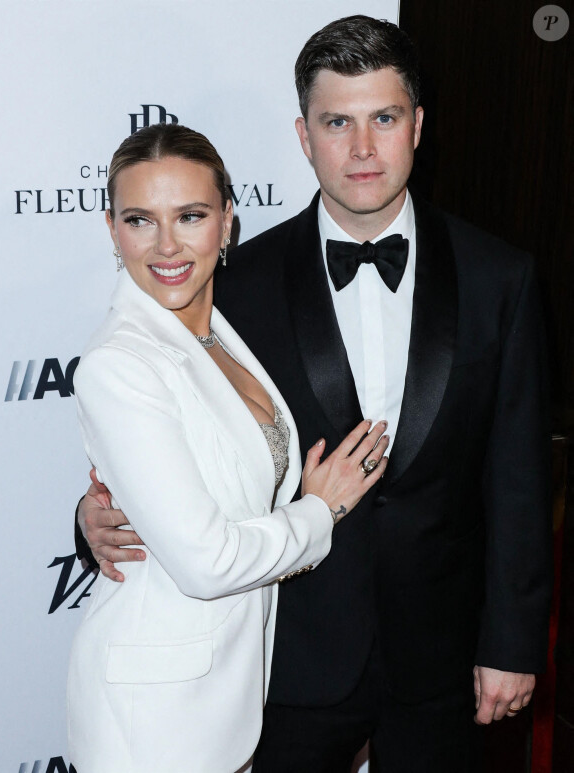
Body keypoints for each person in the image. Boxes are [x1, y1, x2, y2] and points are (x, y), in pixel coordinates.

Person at [76, 16, 553, 773]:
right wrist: (92, 515)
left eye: (384, 119)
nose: (362, 150)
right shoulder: (231, 283)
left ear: (418, 126)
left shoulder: (501, 278)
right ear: (304, 135)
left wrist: (512, 641)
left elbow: (519, 477)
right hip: (282, 660)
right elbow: (167, 431)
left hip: (441, 659)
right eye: (338, 123)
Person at [68, 122, 390, 773]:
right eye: (139, 218)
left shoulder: (220, 329)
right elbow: (207, 561)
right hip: (154, 715)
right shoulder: (118, 362)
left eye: (189, 215)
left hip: (232, 696)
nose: (166, 244)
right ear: (111, 229)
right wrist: (318, 509)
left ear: (227, 221)